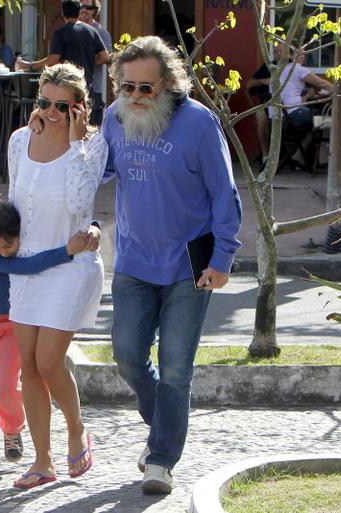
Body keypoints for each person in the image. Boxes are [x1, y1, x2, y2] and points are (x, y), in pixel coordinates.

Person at [100, 35, 242, 495]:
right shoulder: (113, 119)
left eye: (147, 88)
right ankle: (163, 423)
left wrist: (223, 258)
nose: (137, 97)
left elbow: (225, 194)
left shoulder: (200, 125)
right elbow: (95, 172)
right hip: (133, 261)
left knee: (176, 368)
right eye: (128, 87)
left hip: (188, 267)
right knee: (126, 358)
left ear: (169, 85)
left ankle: (161, 459)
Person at [0, 62, 105, 489]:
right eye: (45, 102)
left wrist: (76, 142)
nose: (53, 112)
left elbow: (81, 203)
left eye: (64, 105)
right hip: (28, 266)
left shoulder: (93, 146)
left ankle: (75, 428)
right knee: (27, 367)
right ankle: (43, 461)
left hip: (71, 264)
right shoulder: (21, 140)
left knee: (47, 360)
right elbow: (12, 202)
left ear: (81, 107)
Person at [0, 200, 92, 476]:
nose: (3, 251)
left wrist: (90, 230)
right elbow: (29, 266)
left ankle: (13, 430)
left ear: (19, 234)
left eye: (8, 244)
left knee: (6, 384)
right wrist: (66, 251)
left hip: (16, 323)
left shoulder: (22, 238)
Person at [15, 0, 108, 96]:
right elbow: (105, 57)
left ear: (63, 12)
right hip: (86, 86)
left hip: (67, 86)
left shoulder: (61, 33)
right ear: (79, 11)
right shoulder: (92, 31)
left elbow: (52, 60)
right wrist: (88, 60)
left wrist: (29, 65)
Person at [272, 49, 334, 170]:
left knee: (316, 124)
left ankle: (298, 156)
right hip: (292, 115)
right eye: (301, 54)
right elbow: (322, 84)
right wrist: (340, 91)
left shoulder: (278, 70)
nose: (303, 57)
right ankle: (323, 158)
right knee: (328, 119)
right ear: (292, 55)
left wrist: (305, 97)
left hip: (279, 116)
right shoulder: (296, 68)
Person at [245, 43, 283, 164]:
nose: (278, 54)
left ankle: (296, 157)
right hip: (267, 104)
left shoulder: (293, 67)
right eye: (275, 51)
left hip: (288, 105)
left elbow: (311, 86)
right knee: (261, 118)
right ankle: (265, 155)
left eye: (280, 51)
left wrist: (307, 95)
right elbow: (248, 85)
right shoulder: (269, 66)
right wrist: (263, 81)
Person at [77, 0, 111, 125]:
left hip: (94, 87)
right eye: (81, 6)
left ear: (95, 11)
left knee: (92, 127)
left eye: (89, 7)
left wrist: (86, 61)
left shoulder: (101, 32)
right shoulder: (74, 29)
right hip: (76, 86)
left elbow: (106, 58)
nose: (84, 10)